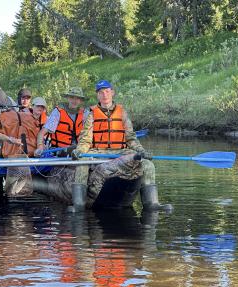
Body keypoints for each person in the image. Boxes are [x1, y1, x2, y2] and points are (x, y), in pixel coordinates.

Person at [71, 80, 172, 212]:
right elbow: (85, 140)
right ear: (97, 95)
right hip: (98, 151)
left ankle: (152, 204)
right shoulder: (91, 114)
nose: (104, 95)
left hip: (121, 151)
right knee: (81, 163)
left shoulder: (122, 113)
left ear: (112, 92)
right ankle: (79, 204)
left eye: (107, 91)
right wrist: (80, 151)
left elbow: (131, 139)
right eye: (101, 92)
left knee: (148, 165)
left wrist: (142, 151)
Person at [35, 87, 87, 156]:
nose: (75, 100)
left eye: (77, 98)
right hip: (59, 150)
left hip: (78, 149)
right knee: (73, 150)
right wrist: (40, 147)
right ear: (68, 98)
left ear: (80, 100)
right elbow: (42, 133)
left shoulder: (85, 113)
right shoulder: (58, 112)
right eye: (72, 97)